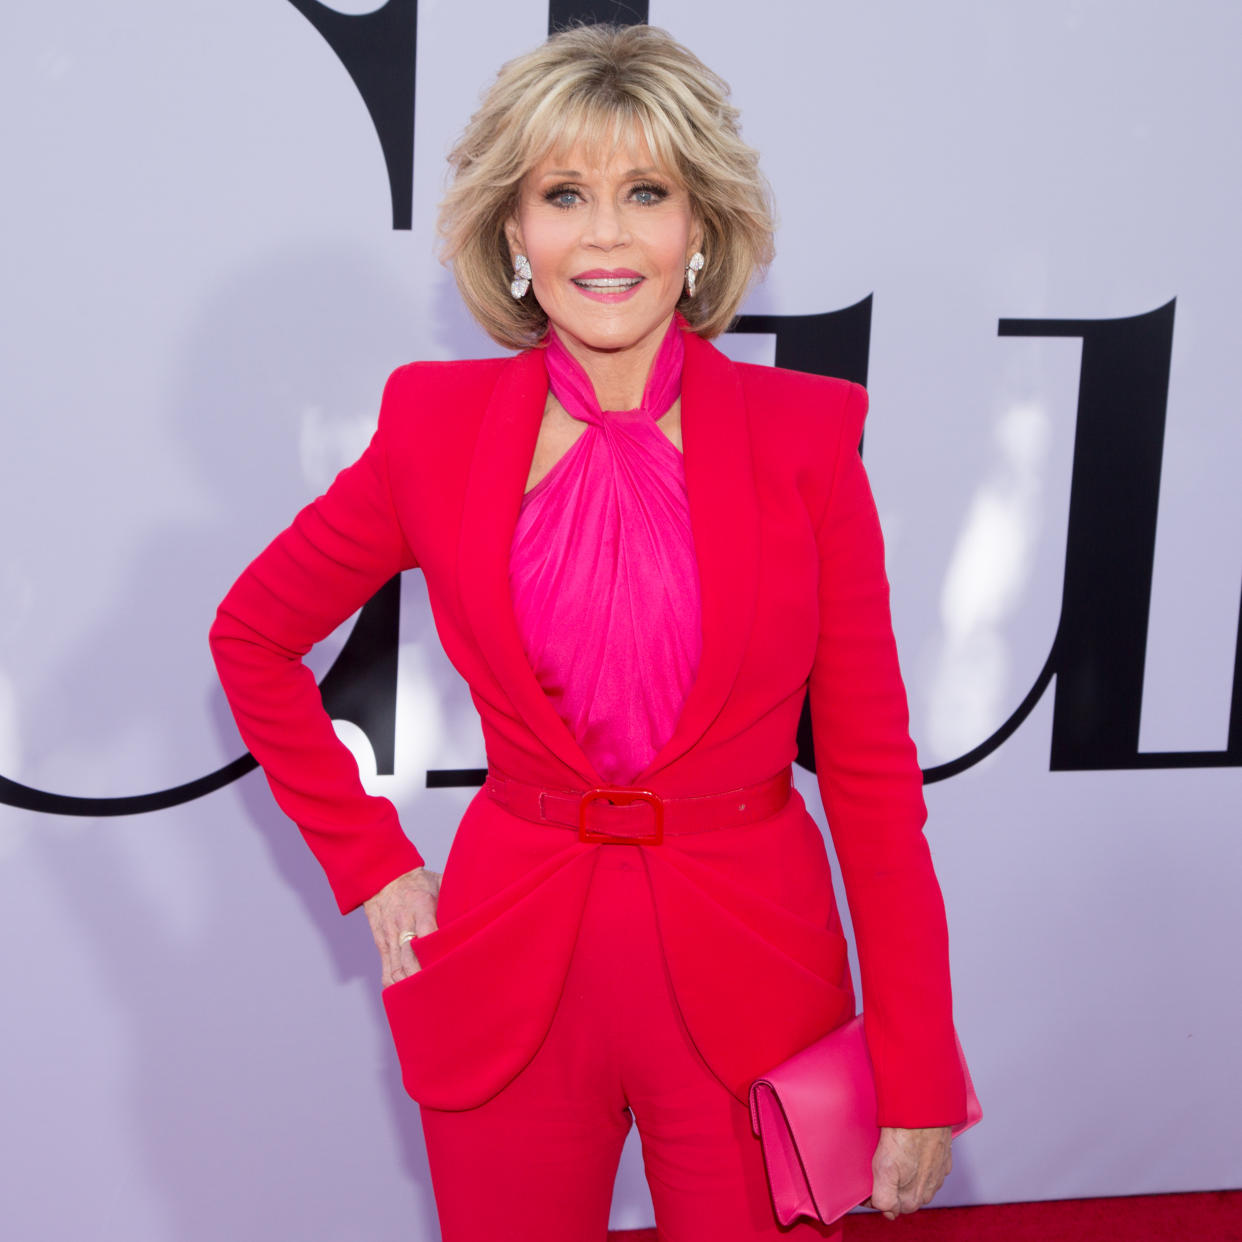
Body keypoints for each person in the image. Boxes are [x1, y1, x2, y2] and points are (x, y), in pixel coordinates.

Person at [209, 22, 968, 1242]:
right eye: (565, 194)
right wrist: (373, 861)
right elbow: (250, 637)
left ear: (700, 225)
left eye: (645, 193)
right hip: (511, 963)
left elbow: (876, 781)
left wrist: (920, 1069)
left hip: (754, 976)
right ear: (514, 232)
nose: (605, 234)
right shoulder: (432, 426)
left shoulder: (807, 439)